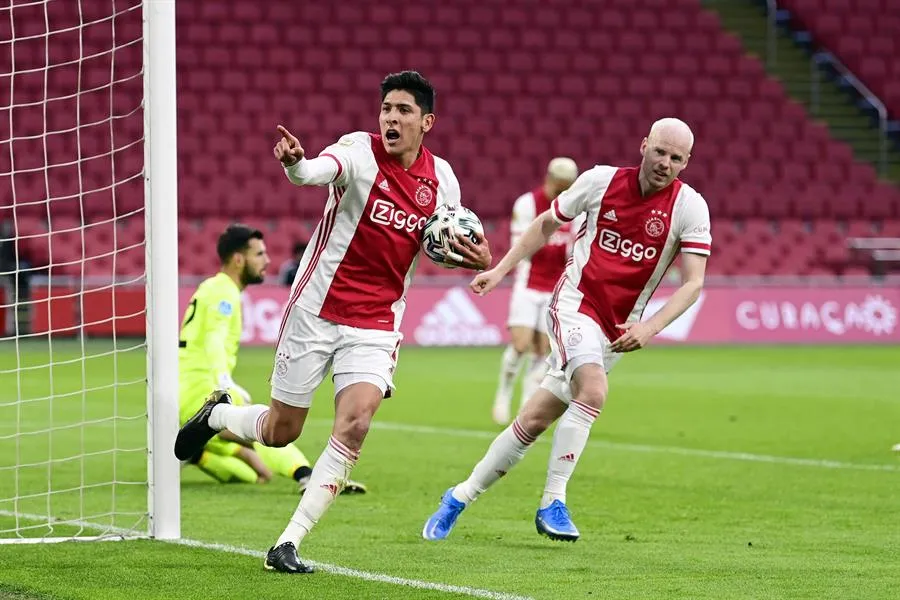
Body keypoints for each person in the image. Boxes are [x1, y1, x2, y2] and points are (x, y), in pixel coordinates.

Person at [175, 71, 491, 573]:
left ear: (427, 122)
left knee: (356, 423)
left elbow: (450, 239)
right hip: (315, 312)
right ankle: (216, 416)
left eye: (404, 110)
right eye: (386, 108)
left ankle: (288, 542)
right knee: (280, 431)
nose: (391, 118)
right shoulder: (358, 151)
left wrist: (477, 257)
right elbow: (315, 172)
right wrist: (296, 163)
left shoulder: (444, 180)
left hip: (376, 324)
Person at [422, 118, 711, 543]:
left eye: (676, 158)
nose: (665, 163)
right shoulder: (599, 182)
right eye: (660, 152)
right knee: (592, 391)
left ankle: (458, 497)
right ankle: (552, 503)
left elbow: (693, 283)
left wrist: (649, 327)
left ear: (686, 162)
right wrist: (501, 270)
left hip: (615, 331)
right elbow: (546, 223)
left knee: (533, 421)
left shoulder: (690, 207)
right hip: (575, 306)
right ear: (643, 145)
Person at [177, 224, 366, 493]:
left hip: (184, 387)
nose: (267, 260)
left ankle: (198, 454)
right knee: (268, 427)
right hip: (201, 388)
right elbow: (214, 338)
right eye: (259, 254)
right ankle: (309, 478)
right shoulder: (223, 291)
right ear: (238, 259)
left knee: (258, 473)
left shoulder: (213, 287)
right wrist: (224, 381)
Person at [492, 157, 580, 426]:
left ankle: (526, 402)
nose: (562, 191)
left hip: (556, 288)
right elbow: (522, 246)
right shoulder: (527, 204)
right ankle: (504, 391)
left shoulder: (577, 210)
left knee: (542, 350)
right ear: (549, 179)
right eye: (560, 185)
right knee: (520, 344)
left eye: (568, 187)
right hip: (528, 282)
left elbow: (576, 249)